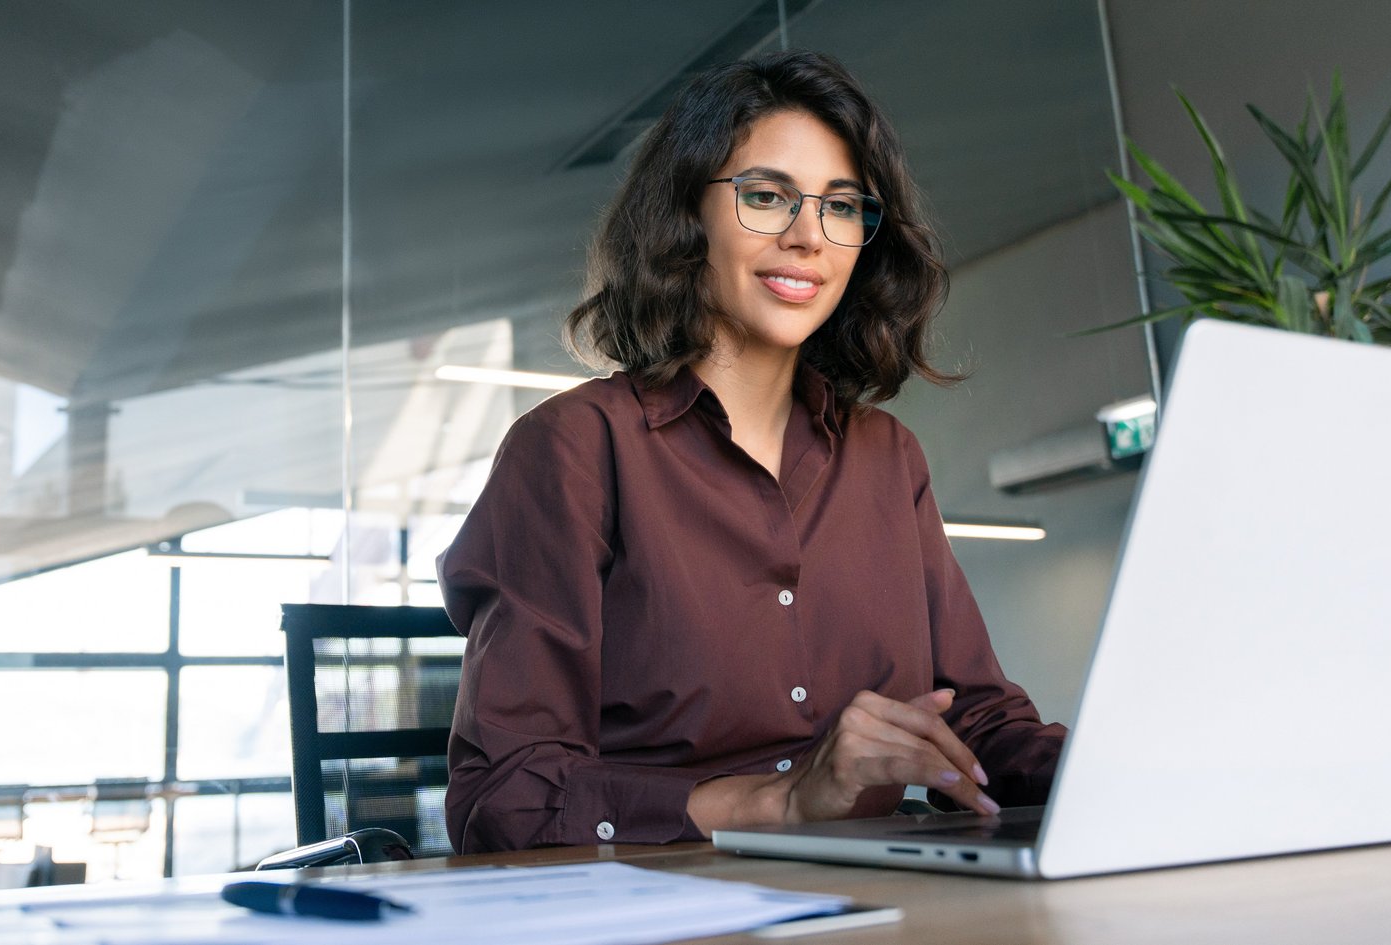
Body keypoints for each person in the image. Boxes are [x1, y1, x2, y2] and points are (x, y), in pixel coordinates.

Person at [437, 50, 1066, 854]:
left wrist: (1120, 769)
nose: (808, 236)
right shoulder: (572, 450)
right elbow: (504, 798)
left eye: (841, 207)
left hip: (877, 897)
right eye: (766, 196)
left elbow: (978, 719)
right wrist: (779, 804)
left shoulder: (887, 458)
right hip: (665, 905)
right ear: (685, 217)